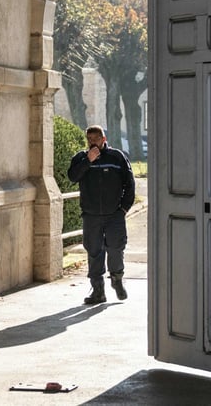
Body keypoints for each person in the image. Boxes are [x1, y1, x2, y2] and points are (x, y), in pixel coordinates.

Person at [67, 125, 136, 304]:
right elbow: (73, 177)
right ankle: (98, 291)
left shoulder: (117, 157)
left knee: (115, 248)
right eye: (89, 140)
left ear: (103, 140)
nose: (92, 143)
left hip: (114, 214)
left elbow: (129, 184)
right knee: (94, 251)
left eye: (96, 139)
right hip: (91, 215)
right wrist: (88, 161)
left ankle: (117, 280)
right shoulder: (81, 158)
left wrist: (123, 209)